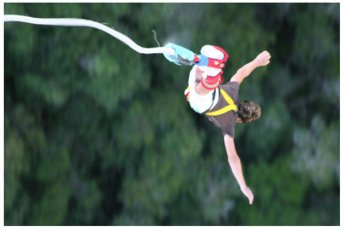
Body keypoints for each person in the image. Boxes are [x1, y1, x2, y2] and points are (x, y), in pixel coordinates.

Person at [184, 46, 271, 205]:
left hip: (200, 85)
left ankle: (205, 64)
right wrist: (242, 186)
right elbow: (233, 158)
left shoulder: (233, 90)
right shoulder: (229, 126)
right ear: (244, 120)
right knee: (210, 84)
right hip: (199, 98)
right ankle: (206, 69)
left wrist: (258, 62)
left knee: (219, 65)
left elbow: (242, 73)